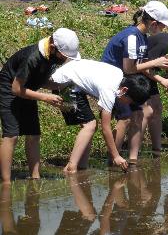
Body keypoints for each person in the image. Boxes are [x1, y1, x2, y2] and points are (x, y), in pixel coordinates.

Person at [0, 28, 80, 183]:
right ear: (53, 47)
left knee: (34, 134)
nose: (64, 60)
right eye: (63, 57)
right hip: (8, 88)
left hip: (28, 89)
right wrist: (44, 97)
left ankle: (35, 177)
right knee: (12, 135)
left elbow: (41, 81)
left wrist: (61, 87)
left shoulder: (50, 56)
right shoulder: (33, 57)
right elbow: (16, 89)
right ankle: (6, 182)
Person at [101, 0, 168, 165]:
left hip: (125, 79)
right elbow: (129, 68)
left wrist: (161, 78)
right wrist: (155, 63)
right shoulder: (132, 37)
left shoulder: (142, 37)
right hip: (112, 81)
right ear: (154, 23)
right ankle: (113, 158)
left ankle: (133, 159)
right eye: (162, 26)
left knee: (141, 113)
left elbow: (141, 66)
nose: (163, 30)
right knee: (125, 118)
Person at [50, 59, 151, 172]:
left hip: (73, 80)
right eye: (130, 101)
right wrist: (116, 156)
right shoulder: (109, 91)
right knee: (90, 125)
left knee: (90, 126)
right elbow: (106, 129)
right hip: (62, 84)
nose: (127, 104)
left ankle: (81, 167)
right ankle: (71, 167)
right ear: (124, 90)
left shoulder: (118, 74)